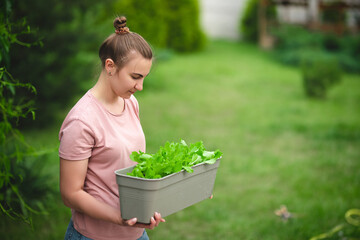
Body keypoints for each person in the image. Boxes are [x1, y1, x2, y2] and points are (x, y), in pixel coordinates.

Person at [59, 16, 165, 240]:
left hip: (136, 234)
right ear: (110, 66)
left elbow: (131, 165)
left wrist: (149, 205)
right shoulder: (81, 121)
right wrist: (120, 218)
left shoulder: (130, 103)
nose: (141, 86)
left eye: (144, 77)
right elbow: (70, 194)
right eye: (135, 77)